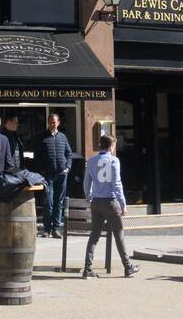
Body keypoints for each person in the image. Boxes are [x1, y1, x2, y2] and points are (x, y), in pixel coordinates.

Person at [81, 134, 138, 279]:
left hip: (96, 201)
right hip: (111, 202)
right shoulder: (114, 160)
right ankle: (128, 266)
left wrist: (89, 197)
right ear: (111, 146)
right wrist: (123, 204)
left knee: (94, 235)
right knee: (118, 233)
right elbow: (117, 184)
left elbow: (87, 182)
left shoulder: (92, 160)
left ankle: (87, 268)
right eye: (113, 146)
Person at [36, 113, 73, 239]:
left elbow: (69, 153)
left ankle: (56, 229)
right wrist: (42, 171)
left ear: (58, 123)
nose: (52, 124)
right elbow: (37, 157)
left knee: (59, 202)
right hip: (48, 176)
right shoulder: (42, 137)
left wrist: (67, 167)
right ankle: (47, 229)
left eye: (54, 122)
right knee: (48, 202)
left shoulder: (63, 137)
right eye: (50, 122)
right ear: (48, 122)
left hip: (62, 175)